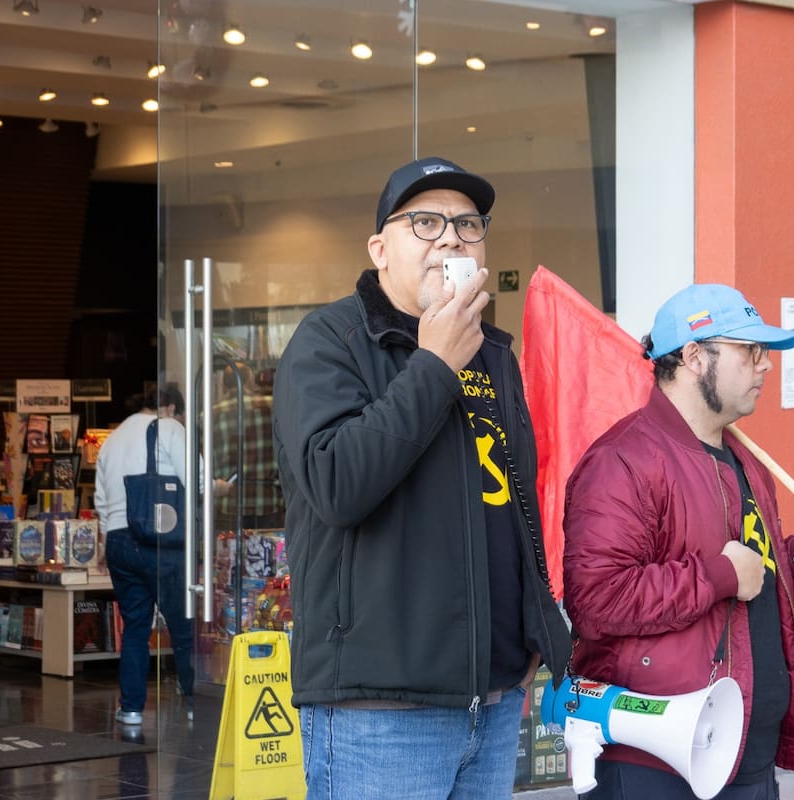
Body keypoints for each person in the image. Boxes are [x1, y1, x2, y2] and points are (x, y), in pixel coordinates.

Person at [272, 156, 572, 800]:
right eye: (426, 222)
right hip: (380, 709)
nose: (451, 238)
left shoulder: (493, 353)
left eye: (468, 225)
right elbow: (337, 484)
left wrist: (535, 635)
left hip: (490, 700)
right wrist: (434, 363)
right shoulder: (330, 342)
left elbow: (514, 502)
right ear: (380, 249)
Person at [562, 284, 794, 799]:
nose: (765, 366)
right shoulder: (622, 460)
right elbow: (595, 599)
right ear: (695, 357)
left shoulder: (746, 460)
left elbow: (755, 579)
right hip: (656, 760)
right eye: (750, 351)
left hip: (745, 753)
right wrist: (718, 576)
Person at [95, 386, 213, 726]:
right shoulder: (170, 428)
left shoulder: (112, 438)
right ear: (171, 407)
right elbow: (199, 483)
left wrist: (105, 543)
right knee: (182, 624)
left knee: (134, 626)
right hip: (160, 539)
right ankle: (193, 700)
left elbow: (102, 501)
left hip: (119, 541)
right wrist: (221, 488)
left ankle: (131, 708)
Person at [212, 362, 284, 530]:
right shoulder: (273, 407)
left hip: (228, 503)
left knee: (229, 554)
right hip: (270, 501)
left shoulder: (209, 415)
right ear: (250, 381)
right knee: (269, 554)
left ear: (223, 384)